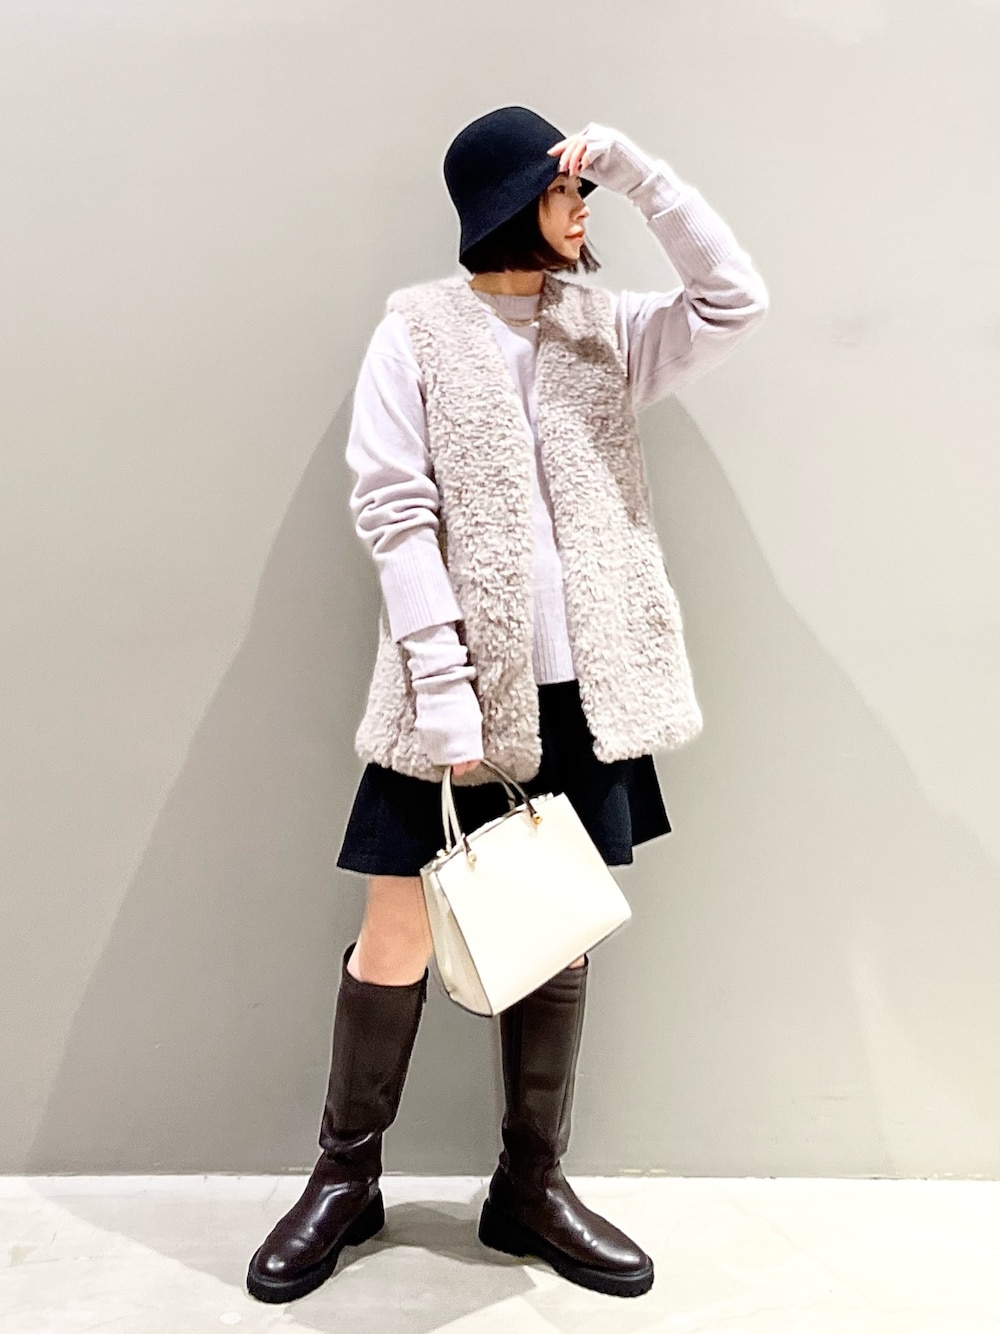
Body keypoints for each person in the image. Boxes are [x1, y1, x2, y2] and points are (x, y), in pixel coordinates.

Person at [246, 105, 769, 1304]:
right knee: (397, 931)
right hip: (451, 694)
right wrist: (442, 686)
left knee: (553, 929)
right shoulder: (417, 334)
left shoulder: (606, 329)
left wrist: (641, 174)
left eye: (585, 190)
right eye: (565, 189)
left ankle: (530, 1184)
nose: (582, 208)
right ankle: (346, 1176)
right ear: (506, 205)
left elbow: (733, 298)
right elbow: (394, 509)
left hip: (584, 692)